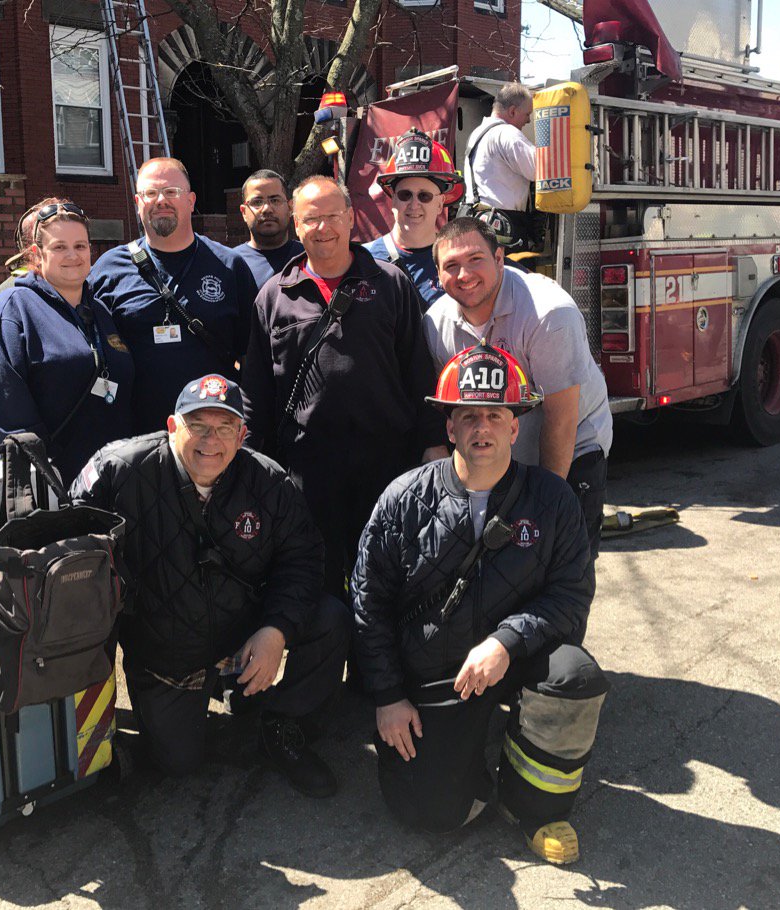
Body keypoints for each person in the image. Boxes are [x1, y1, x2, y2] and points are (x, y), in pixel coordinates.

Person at [351, 343, 608, 864]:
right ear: (449, 427)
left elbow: (571, 595)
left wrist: (505, 642)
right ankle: (468, 755)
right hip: (435, 672)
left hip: (514, 659)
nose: (482, 428)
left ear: (516, 427)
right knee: (429, 814)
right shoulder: (404, 498)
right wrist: (388, 697)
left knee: (573, 676)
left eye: (495, 415)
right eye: (468, 416)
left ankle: (533, 806)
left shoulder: (553, 500)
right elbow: (367, 602)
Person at [69, 374, 351, 798]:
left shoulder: (269, 481)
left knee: (331, 619)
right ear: (171, 426)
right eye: (197, 425)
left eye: (223, 428)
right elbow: (74, 550)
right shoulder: (119, 469)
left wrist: (276, 631)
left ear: (242, 435)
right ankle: (218, 693)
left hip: (241, 626)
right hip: (169, 652)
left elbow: (304, 559)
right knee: (177, 763)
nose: (210, 441)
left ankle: (281, 723)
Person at [242, 175, 448, 600]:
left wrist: (433, 446)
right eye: (312, 218)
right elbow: (257, 389)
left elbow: (418, 374)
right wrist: (252, 463)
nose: (324, 227)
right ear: (296, 225)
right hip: (306, 473)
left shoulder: (391, 284)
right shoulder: (274, 296)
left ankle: (375, 668)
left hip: (387, 465)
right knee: (316, 591)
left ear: (352, 219)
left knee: (384, 585)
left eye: (333, 216)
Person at [424, 216, 612, 565]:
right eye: (451, 265)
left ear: (499, 259)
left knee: (564, 570)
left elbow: (561, 419)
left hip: (573, 446)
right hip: (497, 454)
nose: (464, 275)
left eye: (475, 259)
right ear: (437, 274)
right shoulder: (435, 324)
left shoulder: (548, 314)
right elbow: (451, 415)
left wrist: (542, 506)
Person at [0, 198, 134, 484]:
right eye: (59, 247)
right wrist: (44, 476)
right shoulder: (10, 310)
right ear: (37, 253)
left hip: (111, 480)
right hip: (48, 488)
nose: (73, 255)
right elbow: (2, 413)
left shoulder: (99, 309)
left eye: (80, 246)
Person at [90, 157, 258, 434]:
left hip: (212, 437)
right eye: (150, 193)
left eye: (171, 192)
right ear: (137, 201)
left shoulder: (229, 266)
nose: (161, 200)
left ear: (191, 201)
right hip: (134, 438)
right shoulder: (108, 269)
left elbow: (252, 358)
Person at [364, 128, 463, 309]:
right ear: (392, 199)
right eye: (405, 195)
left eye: (424, 196)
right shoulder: (364, 260)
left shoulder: (459, 258)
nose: (414, 205)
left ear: (441, 203)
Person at [462, 83, 538, 250]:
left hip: (479, 220)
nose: (528, 120)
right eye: (527, 114)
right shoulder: (508, 134)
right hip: (504, 227)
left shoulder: (477, 133)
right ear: (512, 111)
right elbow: (538, 170)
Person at [233, 169, 304, 289]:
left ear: (290, 207)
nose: (267, 209)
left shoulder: (309, 257)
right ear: (244, 212)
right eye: (257, 202)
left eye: (275, 200)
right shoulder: (231, 264)